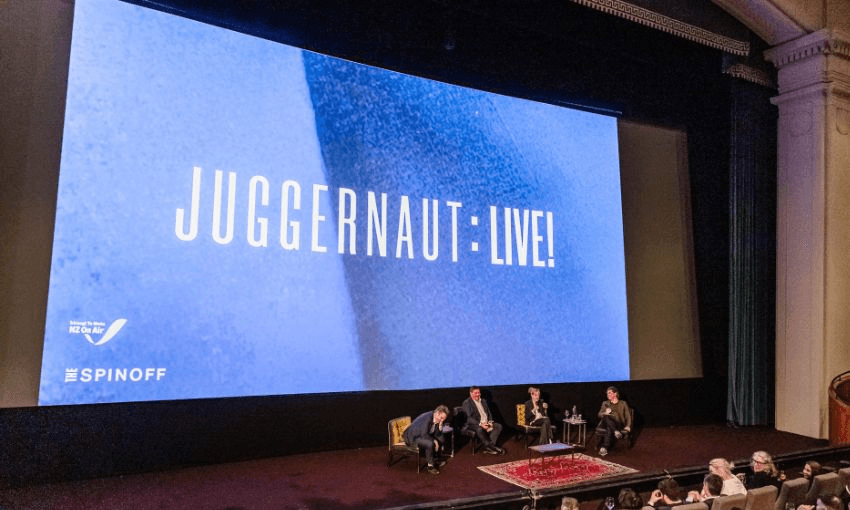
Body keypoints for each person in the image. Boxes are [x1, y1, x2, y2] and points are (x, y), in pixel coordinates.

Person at [403, 404, 449, 474]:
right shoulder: (427, 418)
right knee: (430, 443)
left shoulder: (436, 417)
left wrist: (440, 425)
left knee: (441, 439)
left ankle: (435, 459)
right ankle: (430, 466)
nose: (442, 420)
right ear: (438, 413)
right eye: (442, 418)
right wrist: (435, 441)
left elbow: (437, 434)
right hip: (413, 438)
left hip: (422, 435)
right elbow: (424, 434)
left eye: (444, 419)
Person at [462, 386, 505, 455]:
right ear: (471, 393)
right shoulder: (467, 403)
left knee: (498, 426)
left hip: (486, 422)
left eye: (478, 393)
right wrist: (481, 424)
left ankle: (489, 447)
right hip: (474, 424)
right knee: (479, 429)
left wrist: (490, 422)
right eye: (475, 393)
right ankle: (492, 446)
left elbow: (489, 413)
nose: (477, 394)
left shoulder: (483, 401)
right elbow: (468, 418)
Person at [596, 385, 632, 457]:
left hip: (618, 423)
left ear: (615, 394)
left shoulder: (623, 403)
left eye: (609, 393)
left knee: (610, 427)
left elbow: (628, 416)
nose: (607, 395)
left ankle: (604, 447)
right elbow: (599, 414)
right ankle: (615, 432)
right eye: (607, 393)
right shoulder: (605, 403)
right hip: (607, 422)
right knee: (606, 417)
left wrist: (628, 426)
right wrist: (605, 413)